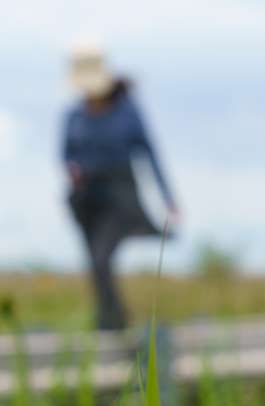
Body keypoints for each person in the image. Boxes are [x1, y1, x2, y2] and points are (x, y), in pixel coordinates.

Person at [62, 43, 178, 331]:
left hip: (120, 195)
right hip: (86, 198)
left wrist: (168, 199)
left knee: (101, 260)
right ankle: (109, 320)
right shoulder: (74, 115)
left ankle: (113, 326)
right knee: (95, 264)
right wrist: (74, 170)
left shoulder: (127, 112)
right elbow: (65, 154)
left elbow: (150, 154)